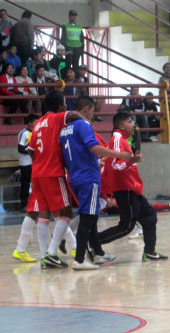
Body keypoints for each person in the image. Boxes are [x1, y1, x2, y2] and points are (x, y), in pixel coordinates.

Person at [59, 96, 135, 269]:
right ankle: (79, 259)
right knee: (87, 218)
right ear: (86, 109)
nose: (93, 115)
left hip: (75, 177)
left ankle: (97, 253)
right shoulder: (84, 125)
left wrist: (94, 161)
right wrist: (118, 155)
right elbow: (93, 147)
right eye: (92, 111)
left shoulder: (65, 129)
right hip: (88, 177)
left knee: (90, 217)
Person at [24, 91, 86, 268]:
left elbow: (31, 151)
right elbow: (73, 114)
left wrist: (42, 161)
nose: (66, 106)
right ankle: (51, 253)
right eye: (65, 102)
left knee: (43, 216)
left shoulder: (38, 124)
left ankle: (45, 256)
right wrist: (86, 123)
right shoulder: (56, 118)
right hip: (52, 173)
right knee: (65, 213)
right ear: (60, 105)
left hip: (37, 174)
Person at [96, 111, 168, 261]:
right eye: (130, 122)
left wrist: (131, 161)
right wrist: (130, 161)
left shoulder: (122, 140)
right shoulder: (117, 139)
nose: (133, 124)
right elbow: (115, 165)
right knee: (127, 226)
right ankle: (92, 242)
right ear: (121, 125)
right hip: (125, 190)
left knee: (149, 216)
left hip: (132, 189)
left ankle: (149, 251)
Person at [17, 114, 39, 211]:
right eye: (35, 122)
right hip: (25, 163)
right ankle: (23, 204)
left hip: (33, 163)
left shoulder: (36, 132)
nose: (37, 124)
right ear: (30, 123)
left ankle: (35, 204)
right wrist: (31, 152)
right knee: (25, 184)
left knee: (35, 183)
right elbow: (20, 148)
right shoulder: (24, 133)